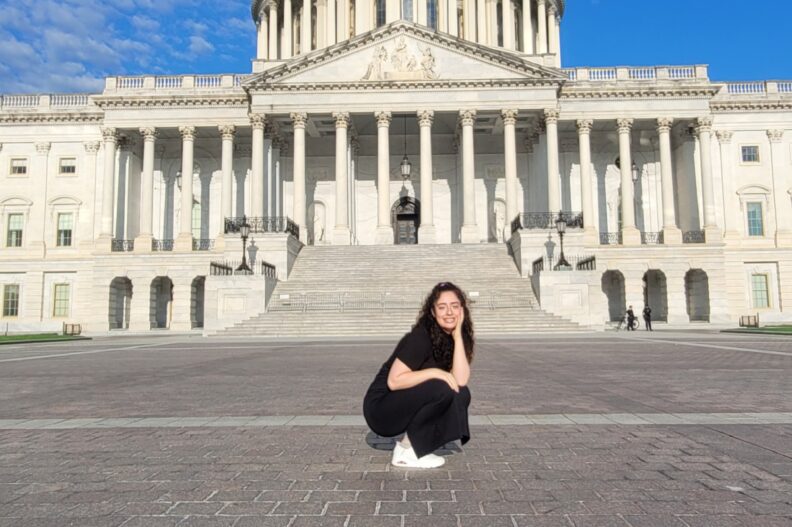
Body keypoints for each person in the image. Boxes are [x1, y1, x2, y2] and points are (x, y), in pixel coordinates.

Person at [363, 282, 474, 469]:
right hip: (382, 408)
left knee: (461, 393)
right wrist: (435, 372)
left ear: (462, 310)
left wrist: (457, 337)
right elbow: (394, 381)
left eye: (454, 306)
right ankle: (406, 451)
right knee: (442, 388)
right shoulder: (421, 337)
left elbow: (460, 381)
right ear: (432, 311)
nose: (449, 312)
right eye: (442, 307)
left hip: (404, 401)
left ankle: (413, 448)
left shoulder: (456, 337)